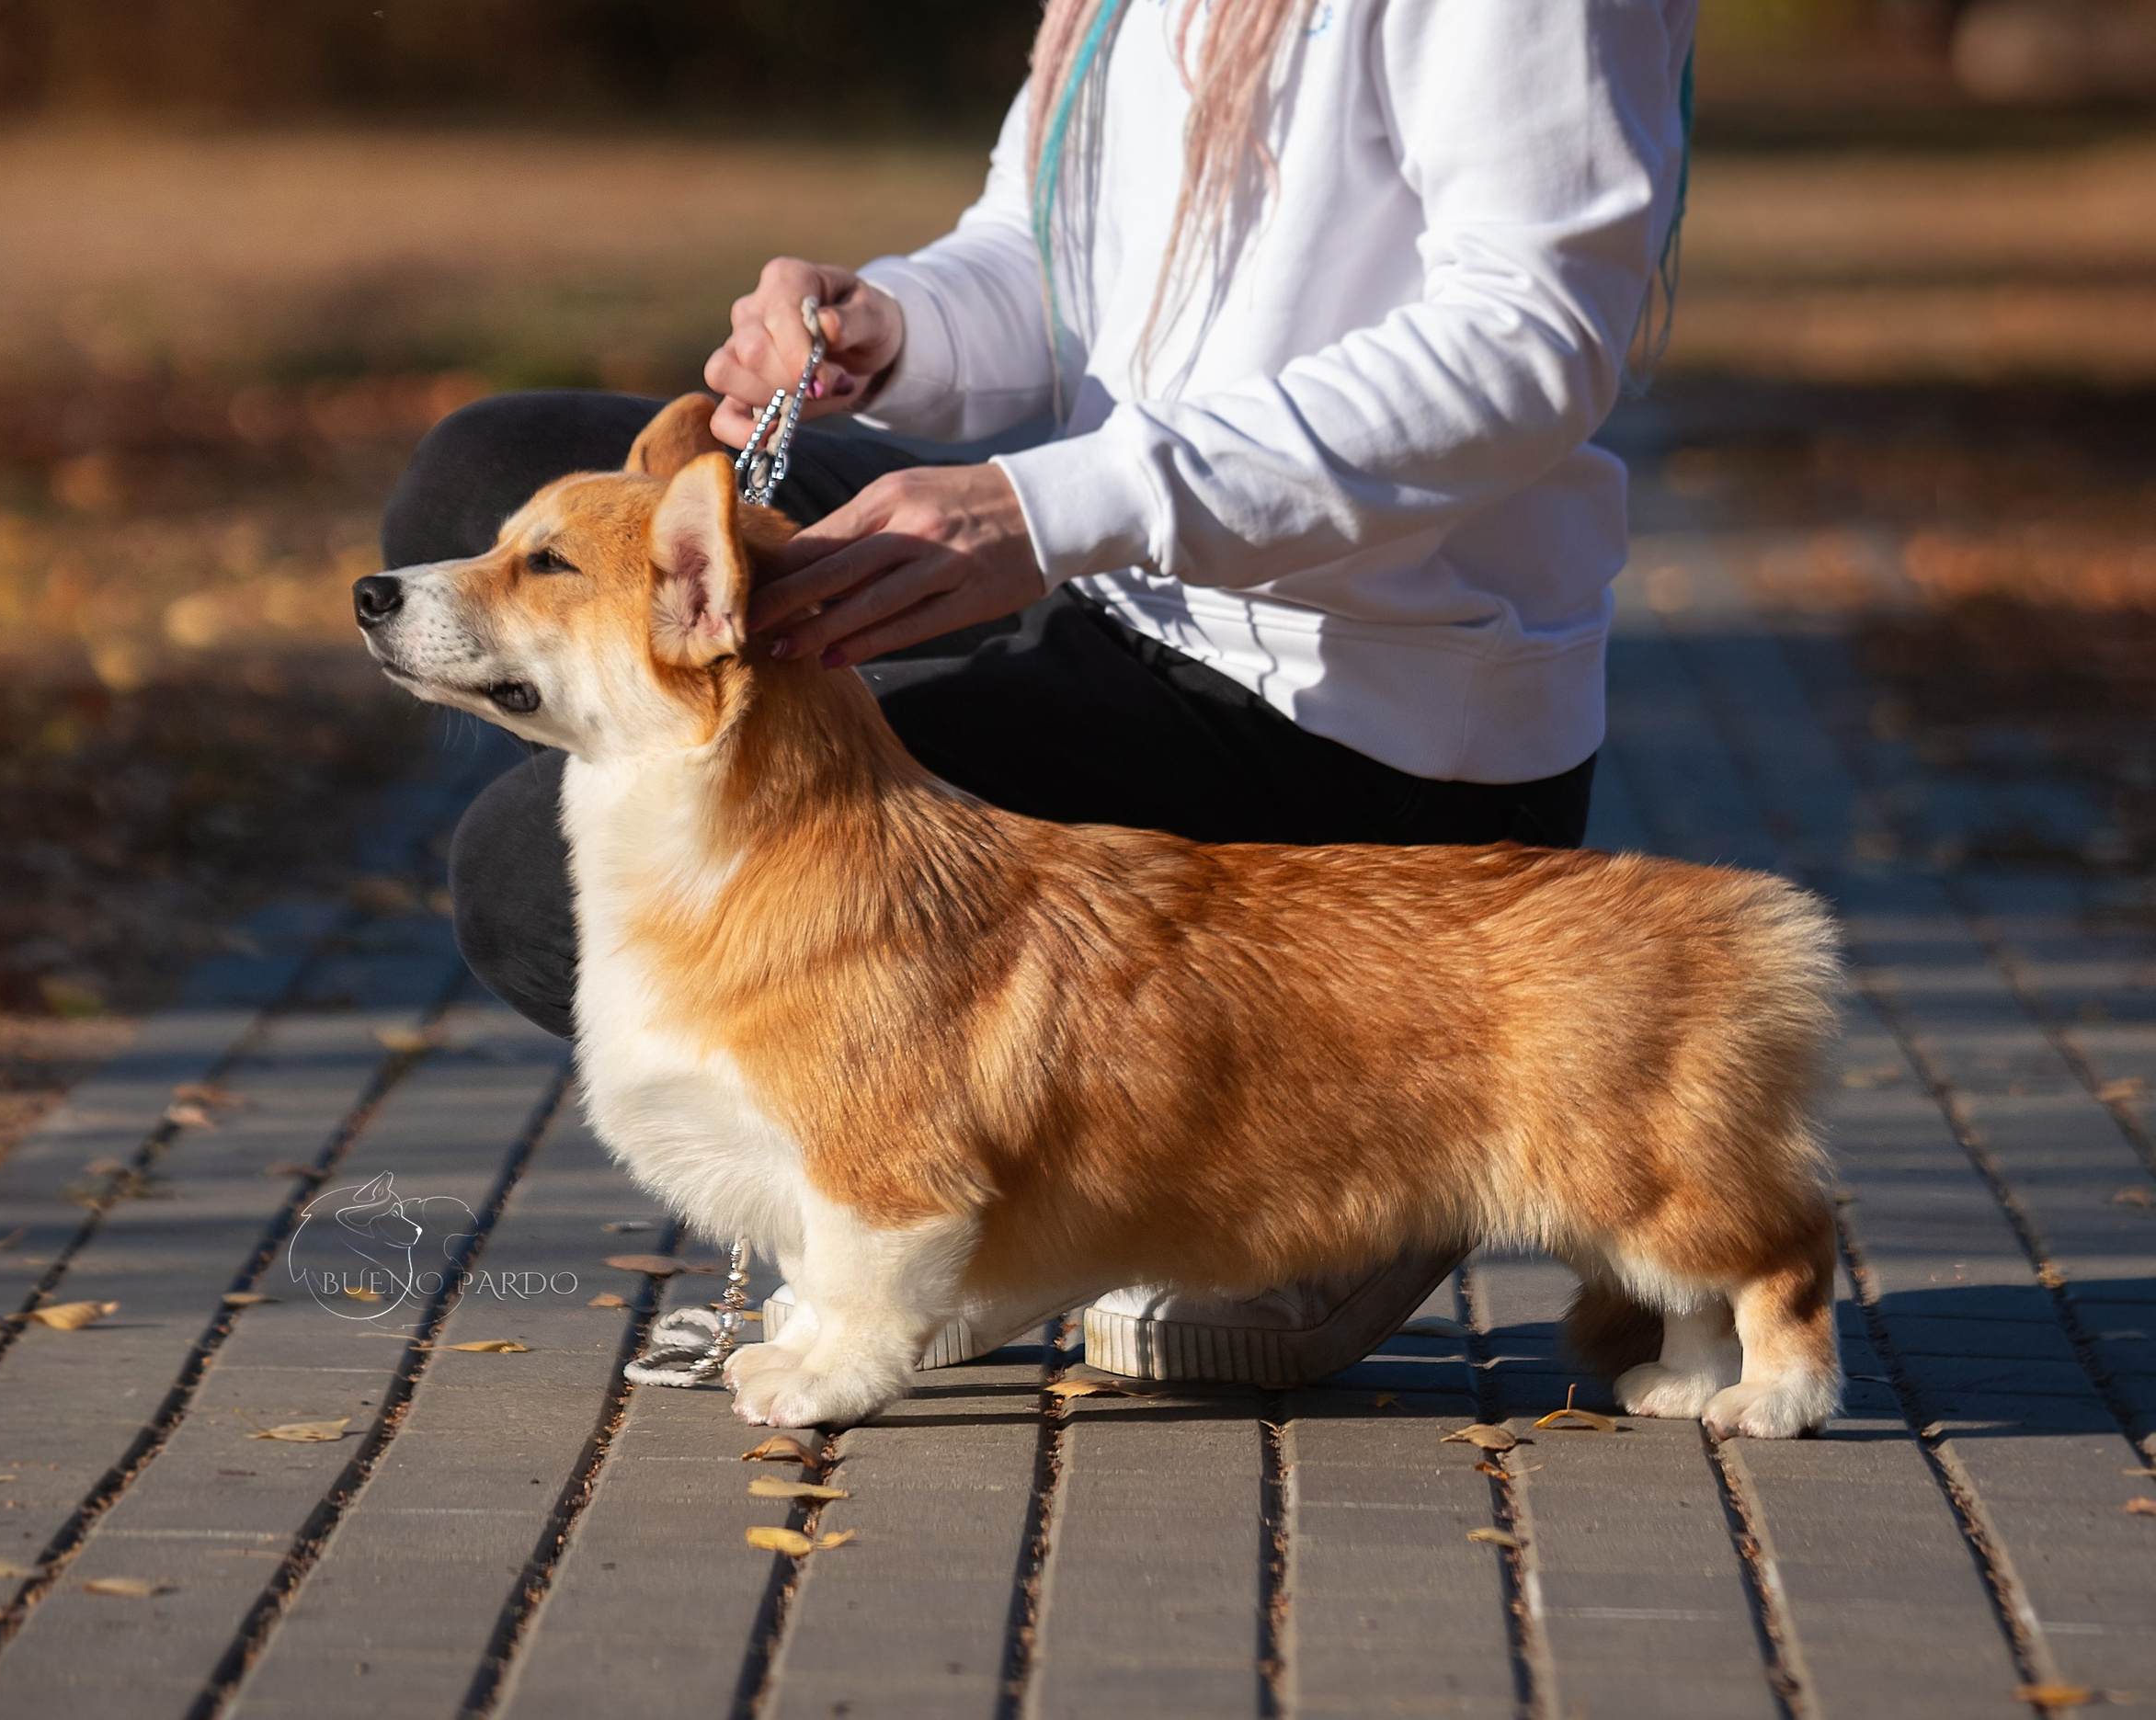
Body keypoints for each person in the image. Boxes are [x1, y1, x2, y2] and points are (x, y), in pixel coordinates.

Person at [381, 0, 1698, 1384]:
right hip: (1117, 578)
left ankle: (1321, 1134)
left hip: (1349, 717)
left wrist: (1055, 505)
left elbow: (1529, 336)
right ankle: (948, 1133)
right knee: (487, 478)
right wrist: (897, 328)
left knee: (527, 877)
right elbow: (1048, 242)